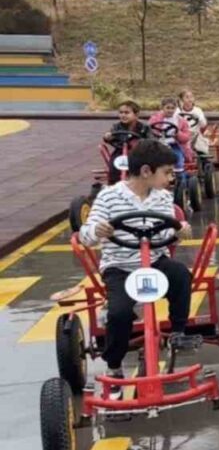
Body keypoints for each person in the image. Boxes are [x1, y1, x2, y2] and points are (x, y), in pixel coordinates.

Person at [79, 139, 198, 399]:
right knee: (119, 313)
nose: (171, 178)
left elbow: (165, 235)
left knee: (180, 274)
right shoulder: (109, 196)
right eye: (167, 172)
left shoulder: (163, 197)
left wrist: (178, 232)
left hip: (154, 260)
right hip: (120, 266)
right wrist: (97, 230)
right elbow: (85, 236)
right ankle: (114, 366)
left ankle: (177, 332)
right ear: (146, 171)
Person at [102, 101, 151, 183]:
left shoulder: (143, 127)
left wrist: (142, 142)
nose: (123, 115)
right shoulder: (117, 127)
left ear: (136, 114)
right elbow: (109, 137)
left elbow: (151, 140)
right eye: (121, 113)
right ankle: (114, 183)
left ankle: (141, 183)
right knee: (114, 166)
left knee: (144, 166)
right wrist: (108, 137)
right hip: (121, 152)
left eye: (127, 113)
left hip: (138, 153)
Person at [148, 96, 192, 174]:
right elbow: (150, 129)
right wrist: (157, 133)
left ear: (176, 109)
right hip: (158, 143)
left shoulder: (180, 121)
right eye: (168, 108)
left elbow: (186, 137)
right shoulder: (155, 118)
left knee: (177, 158)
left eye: (172, 108)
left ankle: (179, 175)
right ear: (162, 108)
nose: (170, 110)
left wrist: (177, 133)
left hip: (173, 144)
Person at [176, 89, 210, 159]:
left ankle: (202, 158)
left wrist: (199, 118)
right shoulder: (177, 111)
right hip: (181, 134)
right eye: (187, 97)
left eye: (191, 97)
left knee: (200, 142)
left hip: (194, 134)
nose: (189, 99)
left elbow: (203, 124)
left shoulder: (197, 110)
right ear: (182, 100)